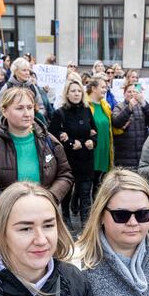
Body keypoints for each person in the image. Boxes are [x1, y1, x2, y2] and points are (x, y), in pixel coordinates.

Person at [0, 86, 72, 202]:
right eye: (19, 108)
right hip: (6, 215)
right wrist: (4, 204)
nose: (27, 113)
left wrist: (50, 197)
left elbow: (65, 175)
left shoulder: (49, 140)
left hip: (43, 212)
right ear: (4, 111)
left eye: (30, 107)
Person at [49, 78, 96, 228]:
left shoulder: (87, 111)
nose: (76, 94)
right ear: (67, 94)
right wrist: (69, 143)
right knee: (67, 194)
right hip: (68, 161)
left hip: (86, 160)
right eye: (73, 91)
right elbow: (53, 137)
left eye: (79, 91)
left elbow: (94, 132)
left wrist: (92, 142)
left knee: (85, 195)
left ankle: (86, 227)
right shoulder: (60, 113)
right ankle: (66, 221)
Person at [111, 81, 149, 169]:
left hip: (141, 155)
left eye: (134, 92)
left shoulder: (142, 106)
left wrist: (144, 103)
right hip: (124, 155)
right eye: (129, 92)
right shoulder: (119, 106)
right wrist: (129, 108)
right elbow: (116, 122)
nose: (132, 94)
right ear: (124, 94)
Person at [86, 74, 114, 193]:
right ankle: (76, 208)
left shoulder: (106, 106)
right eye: (102, 87)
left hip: (104, 149)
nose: (105, 89)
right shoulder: (84, 105)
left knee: (99, 184)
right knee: (86, 185)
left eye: (106, 87)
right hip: (91, 150)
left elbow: (110, 126)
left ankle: (96, 208)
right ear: (93, 88)